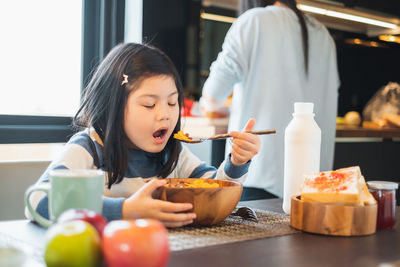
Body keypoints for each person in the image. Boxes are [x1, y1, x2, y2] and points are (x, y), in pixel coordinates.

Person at [25, 43, 261, 227]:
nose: (165, 115)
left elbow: (213, 194)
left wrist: (236, 163)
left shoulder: (172, 153)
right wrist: (124, 211)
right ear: (113, 107)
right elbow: (38, 203)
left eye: (172, 102)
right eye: (149, 105)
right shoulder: (89, 148)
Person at [200, 0, 339, 200]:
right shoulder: (323, 34)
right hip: (315, 185)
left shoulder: (253, 21)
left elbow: (212, 96)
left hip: (259, 177)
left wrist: (220, 108)